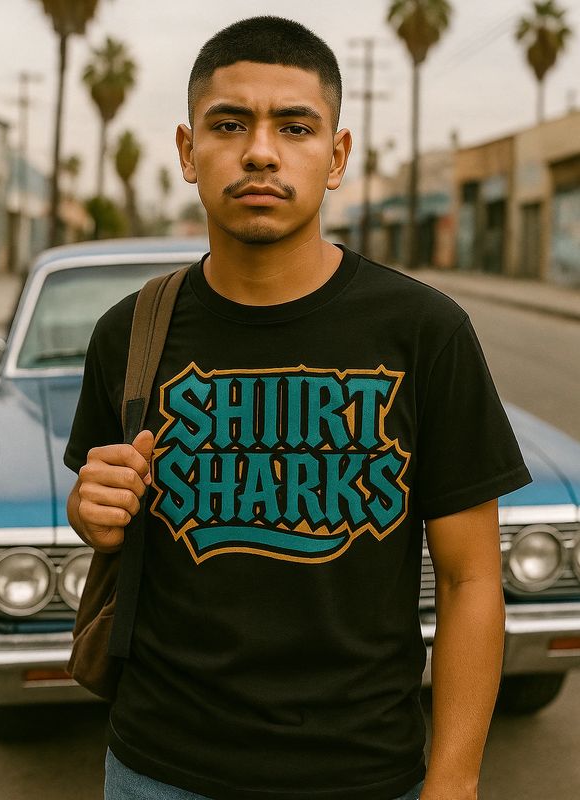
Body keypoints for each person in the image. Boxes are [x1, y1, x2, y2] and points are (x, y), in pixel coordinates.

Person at [64, 15, 531, 800]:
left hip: (364, 773)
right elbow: (103, 513)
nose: (260, 150)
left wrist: (454, 780)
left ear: (336, 156)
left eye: (295, 125)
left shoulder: (424, 332)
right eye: (229, 122)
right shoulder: (130, 333)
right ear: (188, 151)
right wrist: (92, 510)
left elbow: (470, 581)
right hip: (159, 770)